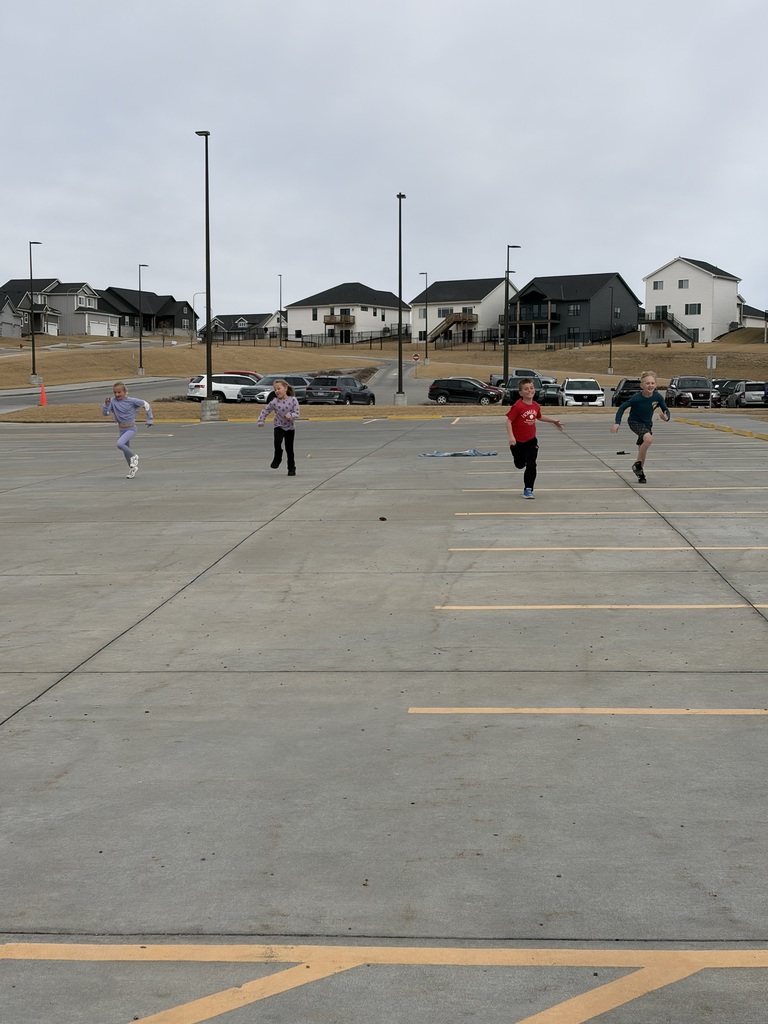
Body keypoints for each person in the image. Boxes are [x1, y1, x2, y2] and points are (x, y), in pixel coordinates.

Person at [505, 378, 563, 498]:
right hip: (517, 442)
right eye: (526, 389)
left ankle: (528, 489)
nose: (529, 391)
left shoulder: (536, 406)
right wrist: (511, 437)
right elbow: (509, 421)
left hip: (531, 441)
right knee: (520, 465)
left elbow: (539, 417)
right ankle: (519, 456)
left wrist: (554, 421)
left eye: (531, 388)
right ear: (521, 393)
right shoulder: (518, 406)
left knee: (532, 464)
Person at [610, 370, 669, 483]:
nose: (650, 385)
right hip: (634, 422)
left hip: (647, 425)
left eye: (652, 383)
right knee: (648, 439)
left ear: (656, 384)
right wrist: (617, 422)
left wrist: (666, 417)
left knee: (643, 448)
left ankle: (640, 472)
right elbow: (622, 408)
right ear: (642, 385)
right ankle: (637, 463)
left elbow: (666, 410)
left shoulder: (658, 397)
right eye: (647, 383)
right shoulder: (637, 397)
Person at [101, 381, 153, 478]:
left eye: (119, 392)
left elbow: (146, 404)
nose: (117, 394)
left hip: (131, 429)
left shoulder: (132, 401)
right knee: (126, 451)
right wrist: (106, 405)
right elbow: (106, 414)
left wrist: (149, 419)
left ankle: (134, 456)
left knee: (120, 444)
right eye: (115, 392)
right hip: (121, 429)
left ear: (125, 392)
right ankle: (132, 468)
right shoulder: (112, 401)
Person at [257, 379, 300, 475]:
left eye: (279, 388)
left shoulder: (293, 400)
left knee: (289, 449)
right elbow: (266, 410)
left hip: (290, 428)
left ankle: (291, 468)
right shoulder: (274, 402)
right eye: (275, 389)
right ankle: (278, 457)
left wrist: (291, 415)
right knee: (277, 442)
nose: (277, 391)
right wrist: (261, 420)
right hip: (278, 425)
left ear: (285, 388)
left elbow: (297, 413)